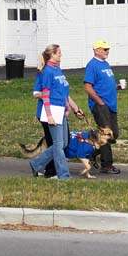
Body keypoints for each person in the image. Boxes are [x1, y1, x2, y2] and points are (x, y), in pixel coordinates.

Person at [29, 44, 84, 180]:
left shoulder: (58, 70)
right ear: (52, 55)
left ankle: (36, 163)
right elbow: (45, 95)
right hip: (52, 111)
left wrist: (70, 107)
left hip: (61, 110)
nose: (61, 54)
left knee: (64, 143)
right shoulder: (47, 71)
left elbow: (64, 93)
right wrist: (49, 115)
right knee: (58, 145)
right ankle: (63, 175)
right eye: (58, 52)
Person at [84, 39, 120, 174]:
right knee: (106, 135)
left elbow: (105, 84)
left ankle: (92, 153)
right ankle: (107, 165)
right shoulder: (92, 65)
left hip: (111, 105)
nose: (107, 51)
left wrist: (117, 87)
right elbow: (87, 86)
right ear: (96, 50)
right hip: (100, 106)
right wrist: (99, 101)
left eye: (108, 49)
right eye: (105, 49)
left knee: (114, 133)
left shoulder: (105, 64)